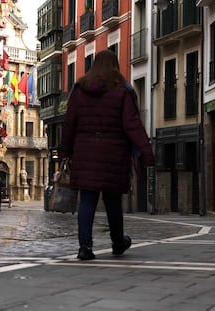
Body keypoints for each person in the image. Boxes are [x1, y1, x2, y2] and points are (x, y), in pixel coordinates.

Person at [60, 50, 155, 260]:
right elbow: (132, 125)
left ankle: (85, 247)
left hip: (84, 154)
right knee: (113, 202)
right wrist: (146, 152)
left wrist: (65, 151)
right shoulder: (122, 91)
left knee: (87, 201)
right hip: (114, 154)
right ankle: (118, 242)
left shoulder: (79, 90)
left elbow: (69, 124)